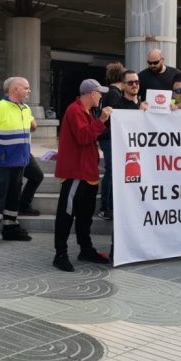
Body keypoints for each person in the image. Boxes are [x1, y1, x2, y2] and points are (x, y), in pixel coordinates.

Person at [52, 78, 113, 272]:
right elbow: (84, 137)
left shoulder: (85, 111)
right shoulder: (75, 110)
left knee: (85, 215)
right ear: (91, 94)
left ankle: (85, 249)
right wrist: (102, 120)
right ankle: (60, 254)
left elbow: (88, 136)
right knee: (66, 214)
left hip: (87, 172)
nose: (101, 96)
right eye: (99, 93)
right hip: (76, 173)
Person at [0, 77, 34, 249]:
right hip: (3, 162)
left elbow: (31, 127)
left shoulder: (25, 108)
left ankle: (10, 229)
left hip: (20, 161)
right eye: (26, 88)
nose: (29, 90)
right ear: (15, 89)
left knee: (13, 196)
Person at [97, 67, 141, 220]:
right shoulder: (115, 97)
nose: (134, 85)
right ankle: (106, 207)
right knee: (112, 171)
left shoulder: (142, 104)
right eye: (130, 83)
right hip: (112, 139)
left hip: (128, 143)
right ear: (123, 84)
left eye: (136, 82)